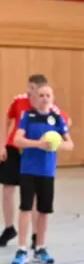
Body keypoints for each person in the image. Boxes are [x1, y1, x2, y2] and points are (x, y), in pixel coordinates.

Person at [0, 74, 71, 249]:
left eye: (33, 89)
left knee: (32, 196)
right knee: (7, 188)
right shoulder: (19, 102)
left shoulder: (49, 108)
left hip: (34, 154)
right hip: (15, 149)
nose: (29, 92)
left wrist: (52, 139)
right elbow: (7, 120)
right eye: (28, 88)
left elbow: (66, 122)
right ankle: (9, 228)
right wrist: (2, 145)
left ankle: (35, 235)